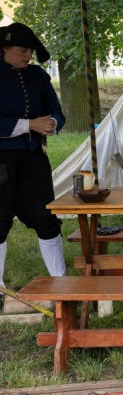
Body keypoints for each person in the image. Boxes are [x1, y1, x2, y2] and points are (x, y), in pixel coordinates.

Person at [0, 22, 67, 293]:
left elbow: (55, 109)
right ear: (4, 48)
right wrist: (29, 125)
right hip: (1, 161)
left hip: (33, 158)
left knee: (45, 216)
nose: (28, 55)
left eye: (30, 50)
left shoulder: (38, 75)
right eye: (23, 50)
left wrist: (51, 122)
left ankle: (62, 283)